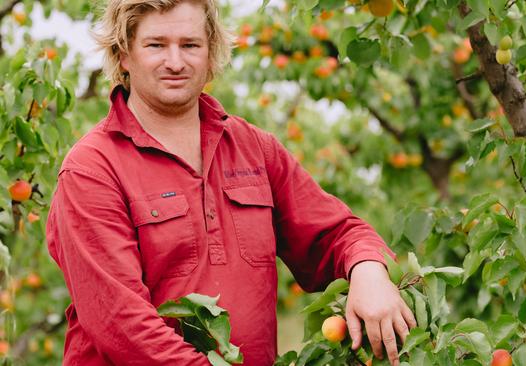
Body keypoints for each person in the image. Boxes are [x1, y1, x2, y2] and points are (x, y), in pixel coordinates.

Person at [45, 1, 415, 365]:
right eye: (156, 45)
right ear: (124, 54)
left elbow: (334, 233)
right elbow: (122, 325)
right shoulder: (92, 169)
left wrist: (368, 268)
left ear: (210, 55)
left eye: (190, 45)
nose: (175, 62)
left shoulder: (254, 148)